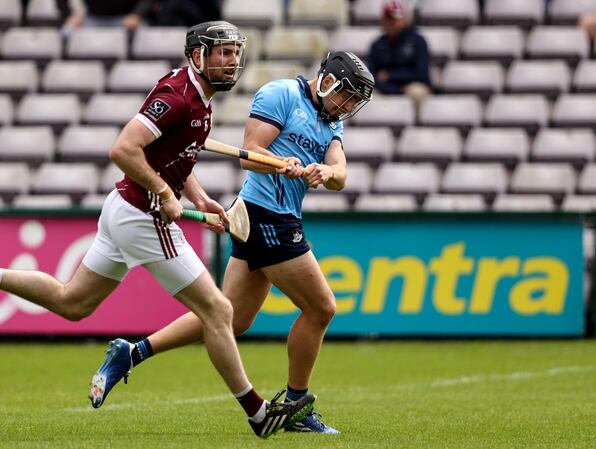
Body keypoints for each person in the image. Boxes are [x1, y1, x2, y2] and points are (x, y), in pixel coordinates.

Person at [0, 21, 314, 438]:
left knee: (72, 302)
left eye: (235, 52)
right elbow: (123, 149)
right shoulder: (178, 98)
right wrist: (166, 193)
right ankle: (258, 413)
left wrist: (198, 198)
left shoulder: (201, 99)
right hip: (142, 217)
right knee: (220, 311)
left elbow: (174, 156)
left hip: (123, 209)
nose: (232, 60)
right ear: (197, 56)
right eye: (222, 52)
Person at [98, 50, 375, 434]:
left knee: (232, 318)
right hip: (265, 215)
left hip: (275, 217)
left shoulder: (331, 122)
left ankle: (132, 353)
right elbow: (250, 153)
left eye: (353, 102)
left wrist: (325, 171)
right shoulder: (281, 95)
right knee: (322, 308)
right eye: (346, 95)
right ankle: (295, 406)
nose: (347, 105)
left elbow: (341, 173)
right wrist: (282, 163)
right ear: (327, 79)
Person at [367, 0, 431, 114]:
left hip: (410, 86)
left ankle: (417, 126)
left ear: (406, 19)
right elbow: (371, 77)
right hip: (385, 88)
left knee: (417, 92)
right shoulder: (378, 44)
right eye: (388, 18)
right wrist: (390, 88)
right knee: (363, 96)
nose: (391, 23)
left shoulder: (417, 41)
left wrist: (390, 75)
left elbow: (421, 74)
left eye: (395, 19)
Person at [59, 0, 153, 31]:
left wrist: (137, 15)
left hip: (126, 19)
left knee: (145, 34)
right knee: (67, 31)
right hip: (91, 19)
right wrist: (69, 15)